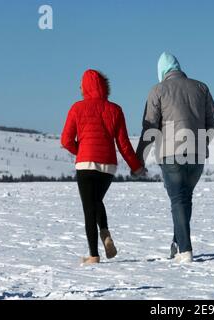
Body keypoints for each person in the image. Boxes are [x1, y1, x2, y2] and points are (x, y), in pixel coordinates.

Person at [136, 53, 214, 263]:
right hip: (196, 154)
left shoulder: (158, 90)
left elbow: (150, 126)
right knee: (184, 198)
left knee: (178, 199)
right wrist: (202, 141)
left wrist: (139, 158)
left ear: (161, 72)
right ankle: (176, 243)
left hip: (171, 153)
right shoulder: (201, 87)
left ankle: (185, 249)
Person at [61, 69, 145, 265]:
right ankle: (105, 233)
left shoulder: (77, 108)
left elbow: (66, 140)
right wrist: (136, 166)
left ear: (86, 87)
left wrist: (80, 151)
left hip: (85, 164)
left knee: (89, 208)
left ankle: (93, 255)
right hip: (108, 167)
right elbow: (123, 144)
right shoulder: (115, 109)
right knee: (96, 200)